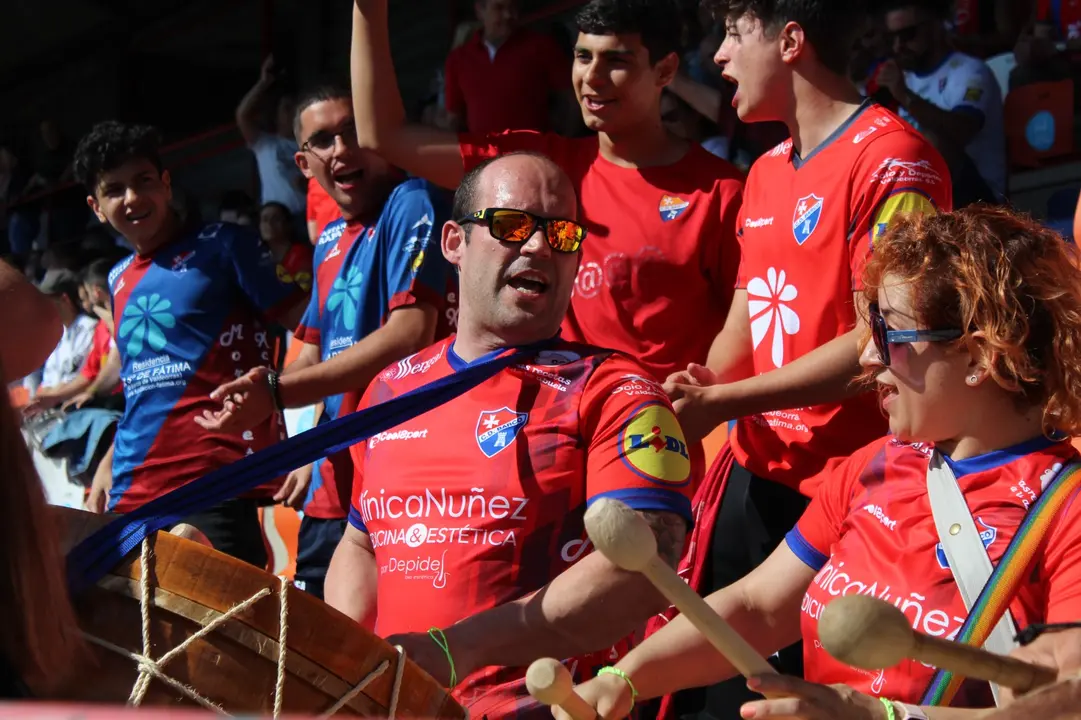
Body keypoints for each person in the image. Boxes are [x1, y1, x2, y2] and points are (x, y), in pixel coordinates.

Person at [562, 204, 1081, 720]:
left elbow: (1065, 707)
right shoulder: (872, 467)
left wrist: (884, 717)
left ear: (978, 354)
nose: (868, 358)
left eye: (888, 335)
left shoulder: (1069, 508)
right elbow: (757, 608)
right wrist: (624, 679)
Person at [650, 0, 952, 716]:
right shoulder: (764, 171)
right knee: (719, 691)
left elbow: (878, 341)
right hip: (753, 476)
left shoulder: (894, 158)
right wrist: (702, 384)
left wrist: (724, 403)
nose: (716, 57)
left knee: (819, 699)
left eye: (731, 33)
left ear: (789, 41)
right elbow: (750, 314)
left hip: (855, 492)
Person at [324, 151, 695, 720]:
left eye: (561, 234)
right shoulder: (388, 390)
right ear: (453, 242)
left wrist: (457, 651)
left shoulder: (614, 389)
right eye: (512, 226)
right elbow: (360, 544)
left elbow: (647, 564)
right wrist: (344, 667)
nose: (539, 247)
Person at [348, 0, 744, 387]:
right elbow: (384, 136)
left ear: (666, 70)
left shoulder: (720, 192)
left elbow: (747, 337)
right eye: (583, 57)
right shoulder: (538, 173)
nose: (592, 76)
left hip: (660, 441)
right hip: (548, 435)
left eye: (616, 61)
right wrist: (369, 8)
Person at [195, 84, 453, 601]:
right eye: (323, 140)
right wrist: (296, 435)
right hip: (332, 483)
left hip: (400, 478)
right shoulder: (330, 239)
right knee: (319, 657)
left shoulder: (413, 200)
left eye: (352, 131)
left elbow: (409, 336)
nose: (341, 148)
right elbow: (316, 351)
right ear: (304, 162)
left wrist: (277, 393)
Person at [73, 120, 310, 568]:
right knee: (139, 636)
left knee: (232, 633)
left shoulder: (226, 246)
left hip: (214, 484)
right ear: (97, 207)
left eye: (144, 181)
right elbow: (141, 388)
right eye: (115, 190)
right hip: (131, 491)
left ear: (166, 183)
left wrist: (314, 438)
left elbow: (313, 334)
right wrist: (107, 461)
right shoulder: (117, 278)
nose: (133, 198)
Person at [876, 0, 1005, 205]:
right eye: (892, 38)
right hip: (930, 198)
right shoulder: (903, 78)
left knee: (931, 143)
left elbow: (962, 131)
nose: (898, 46)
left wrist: (904, 96)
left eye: (908, 34)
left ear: (935, 27)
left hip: (982, 201)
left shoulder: (969, 71)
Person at [21, 268, 99, 409]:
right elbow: (46, 385)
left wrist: (48, 397)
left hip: (78, 408)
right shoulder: (56, 334)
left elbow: (84, 379)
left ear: (65, 299)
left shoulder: (89, 328)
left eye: (47, 302)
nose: (41, 309)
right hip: (54, 410)